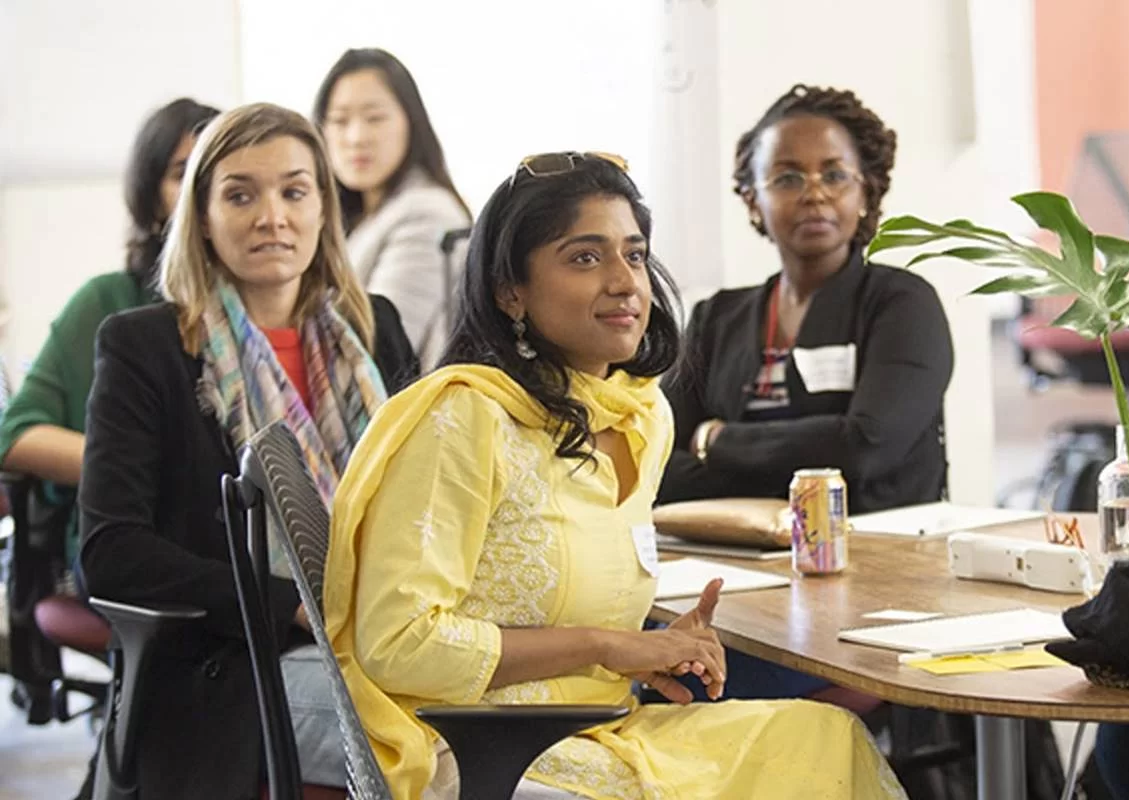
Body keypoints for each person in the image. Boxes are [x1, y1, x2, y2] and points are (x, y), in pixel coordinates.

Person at [325, 152, 906, 799]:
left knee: (824, 738)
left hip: (598, 727)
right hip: (482, 749)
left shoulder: (640, 414)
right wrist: (605, 644)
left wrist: (654, 646)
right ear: (507, 290)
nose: (625, 282)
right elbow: (398, 644)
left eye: (633, 255)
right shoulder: (464, 418)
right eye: (584, 257)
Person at [77, 103, 418, 799]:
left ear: (325, 207)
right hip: (230, 665)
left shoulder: (373, 330)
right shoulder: (146, 347)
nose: (272, 216)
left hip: (385, 637)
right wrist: (287, 604)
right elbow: (112, 554)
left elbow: (424, 504)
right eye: (240, 194)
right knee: (425, 740)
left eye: (294, 191)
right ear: (201, 217)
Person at [658, 84, 953, 514]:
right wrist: (811, 464)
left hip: (884, 556)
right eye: (788, 178)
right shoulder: (715, 319)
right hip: (735, 558)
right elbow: (655, 460)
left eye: (834, 175)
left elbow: (866, 448)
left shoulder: (903, 305)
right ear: (752, 201)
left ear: (866, 192)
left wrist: (714, 440)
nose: (814, 194)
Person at [0, 98, 219, 563]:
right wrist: (130, 467)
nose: (201, 190)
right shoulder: (108, 303)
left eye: (215, 172)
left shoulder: (267, 308)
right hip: (130, 543)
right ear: (151, 196)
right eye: (183, 174)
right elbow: (14, 436)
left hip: (239, 543)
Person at [314, 47, 472, 372]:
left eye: (374, 118)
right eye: (340, 121)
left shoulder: (427, 213)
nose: (356, 137)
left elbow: (377, 350)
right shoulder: (356, 216)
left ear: (410, 123)